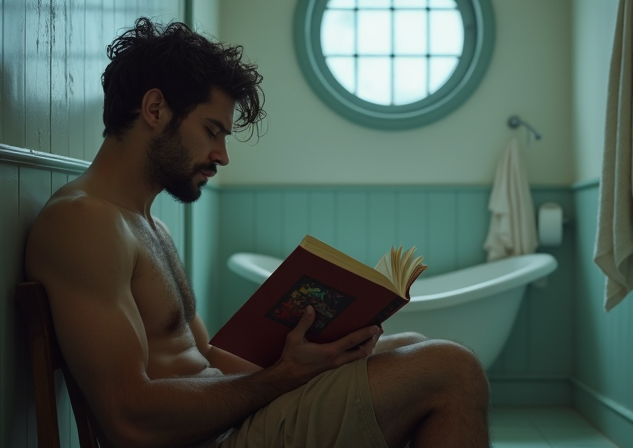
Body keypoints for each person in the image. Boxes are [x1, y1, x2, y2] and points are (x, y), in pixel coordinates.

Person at [24, 17, 490, 448]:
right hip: (202, 439)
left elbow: (204, 358)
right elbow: (128, 420)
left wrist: (320, 354)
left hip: (222, 421)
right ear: (154, 108)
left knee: (410, 347)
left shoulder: (149, 225)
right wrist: (284, 376)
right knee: (454, 369)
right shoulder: (83, 222)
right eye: (212, 131)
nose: (222, 155)